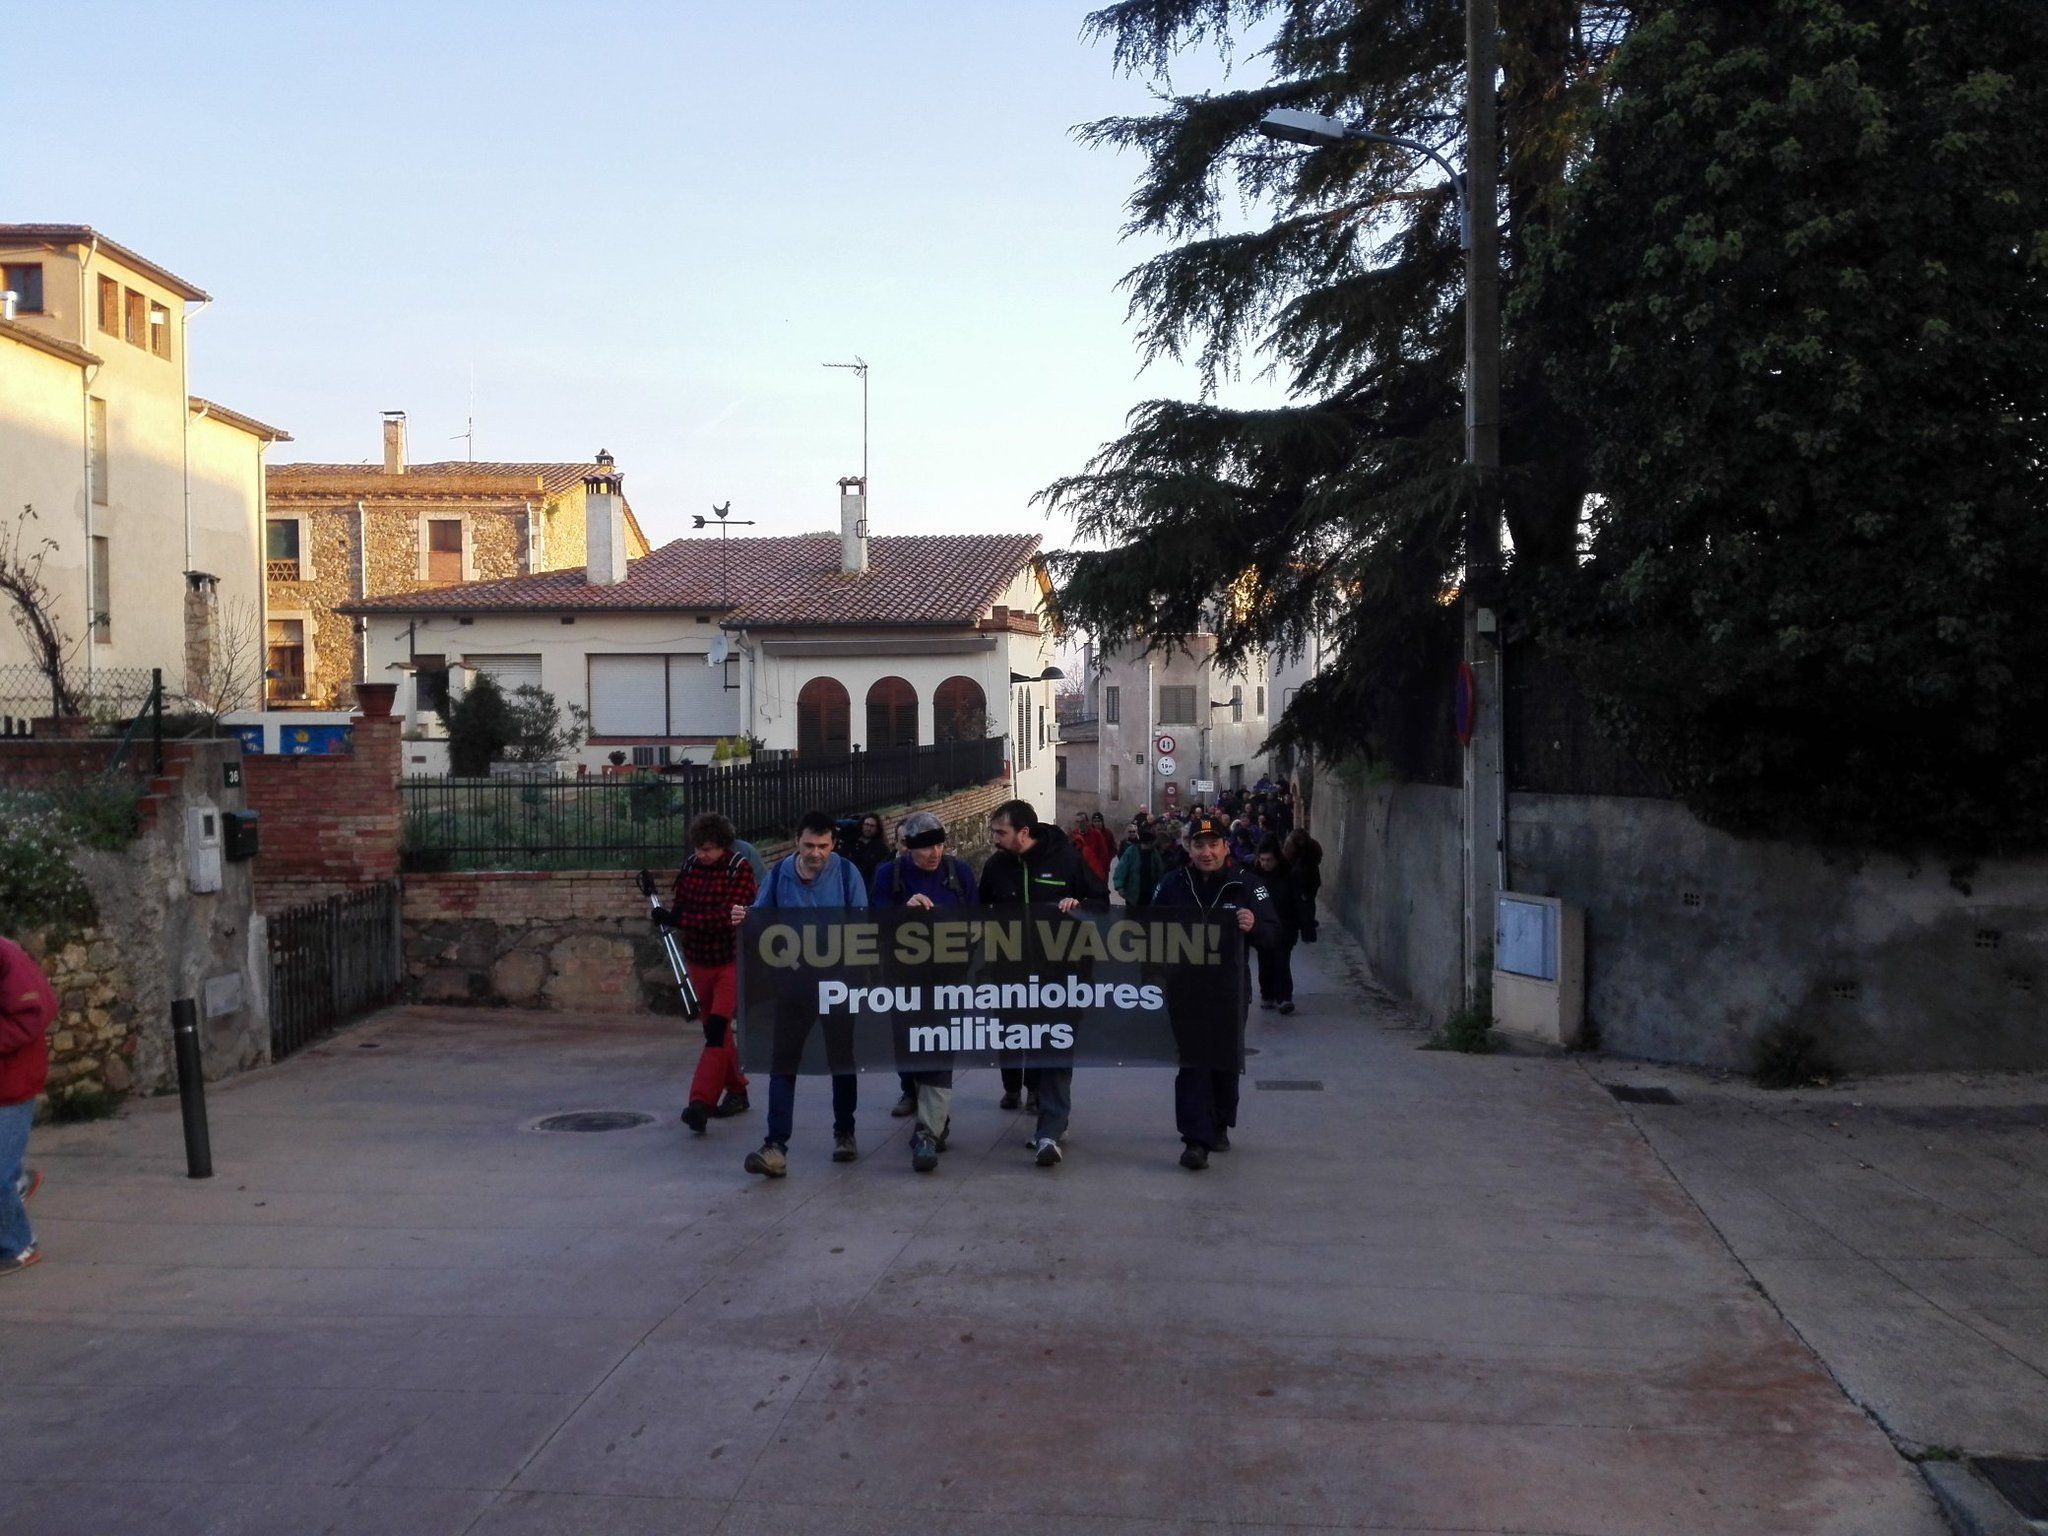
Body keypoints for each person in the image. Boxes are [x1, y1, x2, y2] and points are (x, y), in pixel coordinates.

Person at [739, 810, 870, 1178]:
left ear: (833, 844)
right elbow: (759, 920)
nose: (816, 853)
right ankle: (775, 1145)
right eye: (809, 845)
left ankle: (845, 1132)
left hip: (838, 986)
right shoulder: (780, 874)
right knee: (783, 1065)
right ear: (797, 841)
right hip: (793, 987)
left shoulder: (846, 873)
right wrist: (744, 918)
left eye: (823, 846)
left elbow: (861, 928)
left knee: (841, 1062)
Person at [979, 798, 1106, 1165]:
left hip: (1062, 976)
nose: (995, 839)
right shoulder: (995, 867)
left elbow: (1100, 901)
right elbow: (978, 914)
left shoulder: (1066, 860)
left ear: (1024, 832)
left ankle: (1050, 1131)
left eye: (1001, 832)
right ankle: (1048, 1113)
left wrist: (1077, 903)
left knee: (1055, 1051)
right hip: (1013, 978)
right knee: (1029, 1047)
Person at [1150, 810, 1279, 1171]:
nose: (1206, 852)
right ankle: (1195, 1139)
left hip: (1229, 989)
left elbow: (1274, 936)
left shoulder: (1248, 885)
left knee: (1223, 1061)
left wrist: (1253, 926)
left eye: (1213, 844)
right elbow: (1148, 933)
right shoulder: (1172, 884)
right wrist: (1152, 977)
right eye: (1198, 845)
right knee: (1193, 1062)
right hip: (1185, 989)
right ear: (1188, 848)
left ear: (1226, 847)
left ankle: (1220, 1122)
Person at [870, 810, 979, 1172]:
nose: (934, 853)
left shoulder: (958, 873)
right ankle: (929, 1109)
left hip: (948, 979)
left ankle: (928, 1131)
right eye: (925, 847)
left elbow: (979, 919)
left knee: (939, 1046)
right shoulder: (890, 875)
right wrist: (905, 910)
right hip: (903, 980)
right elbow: (873, 921)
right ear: (907, 848)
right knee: (910, 1046)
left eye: (939, 844)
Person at [666, 813, 758, 1135]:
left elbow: (728, 917)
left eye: (708, 849)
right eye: (699, 849)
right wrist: (666, 915)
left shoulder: (739, 870)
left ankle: (701, 1102)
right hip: (698, 960)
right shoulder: (691, 867)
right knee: (714, 1032)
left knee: (717, 1030)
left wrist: (683, 920)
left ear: (723, 846)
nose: (702, 855)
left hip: (730, 960)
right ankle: (737, 1090)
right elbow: (682, 905)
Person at [1, 935, 56, 1277]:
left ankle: (18, 1245)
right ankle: (18, 1179)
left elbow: (37, 1010)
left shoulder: (4, 956)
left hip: (11, 1082)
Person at [1252, 837, 1302, 1014]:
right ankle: (1268, 994)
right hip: (1263, 928)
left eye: (1269, 860)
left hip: (1284, 926)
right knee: (1265, 962)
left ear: (1277, 859)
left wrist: (1301, 926)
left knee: (1281, 962)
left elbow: (1296, 902)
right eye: (1262, 860)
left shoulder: (1288, 876)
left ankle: (1284, 998)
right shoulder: (1254, 877)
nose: (1265, 864)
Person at [1111, 819, 1163, 910]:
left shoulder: (1154, 854)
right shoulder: (1131, 851)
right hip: (1133, 894)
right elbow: (1121, 869)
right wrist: (1119, 886)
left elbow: (1160, 871)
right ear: (1148, 842)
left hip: (1149, 894)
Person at [1283, 828, 1324, 943]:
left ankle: (1306, 926)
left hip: (1304, 878)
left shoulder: (1293, 844)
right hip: (1310, 878)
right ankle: (1308, 926)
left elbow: (1287, 858)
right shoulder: (1313, 844)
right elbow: (1319, 858)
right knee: (1308, 902)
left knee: (1303, 903)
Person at [843, 812, 892, 885]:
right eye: (866, 824)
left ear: (877, 829)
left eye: (872, 826)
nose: (868, 828)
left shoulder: (881, 848)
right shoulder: (851, 843)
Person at [1071, 812, 1114, 886]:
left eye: (1082, 822)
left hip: (1095, 872)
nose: (1080, 824)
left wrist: (1101, 870)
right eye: (1078, 822)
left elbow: (1103, 854)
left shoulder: (1096, 834)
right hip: (1080, 874)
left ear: (1087, 822)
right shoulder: (1073, 835)